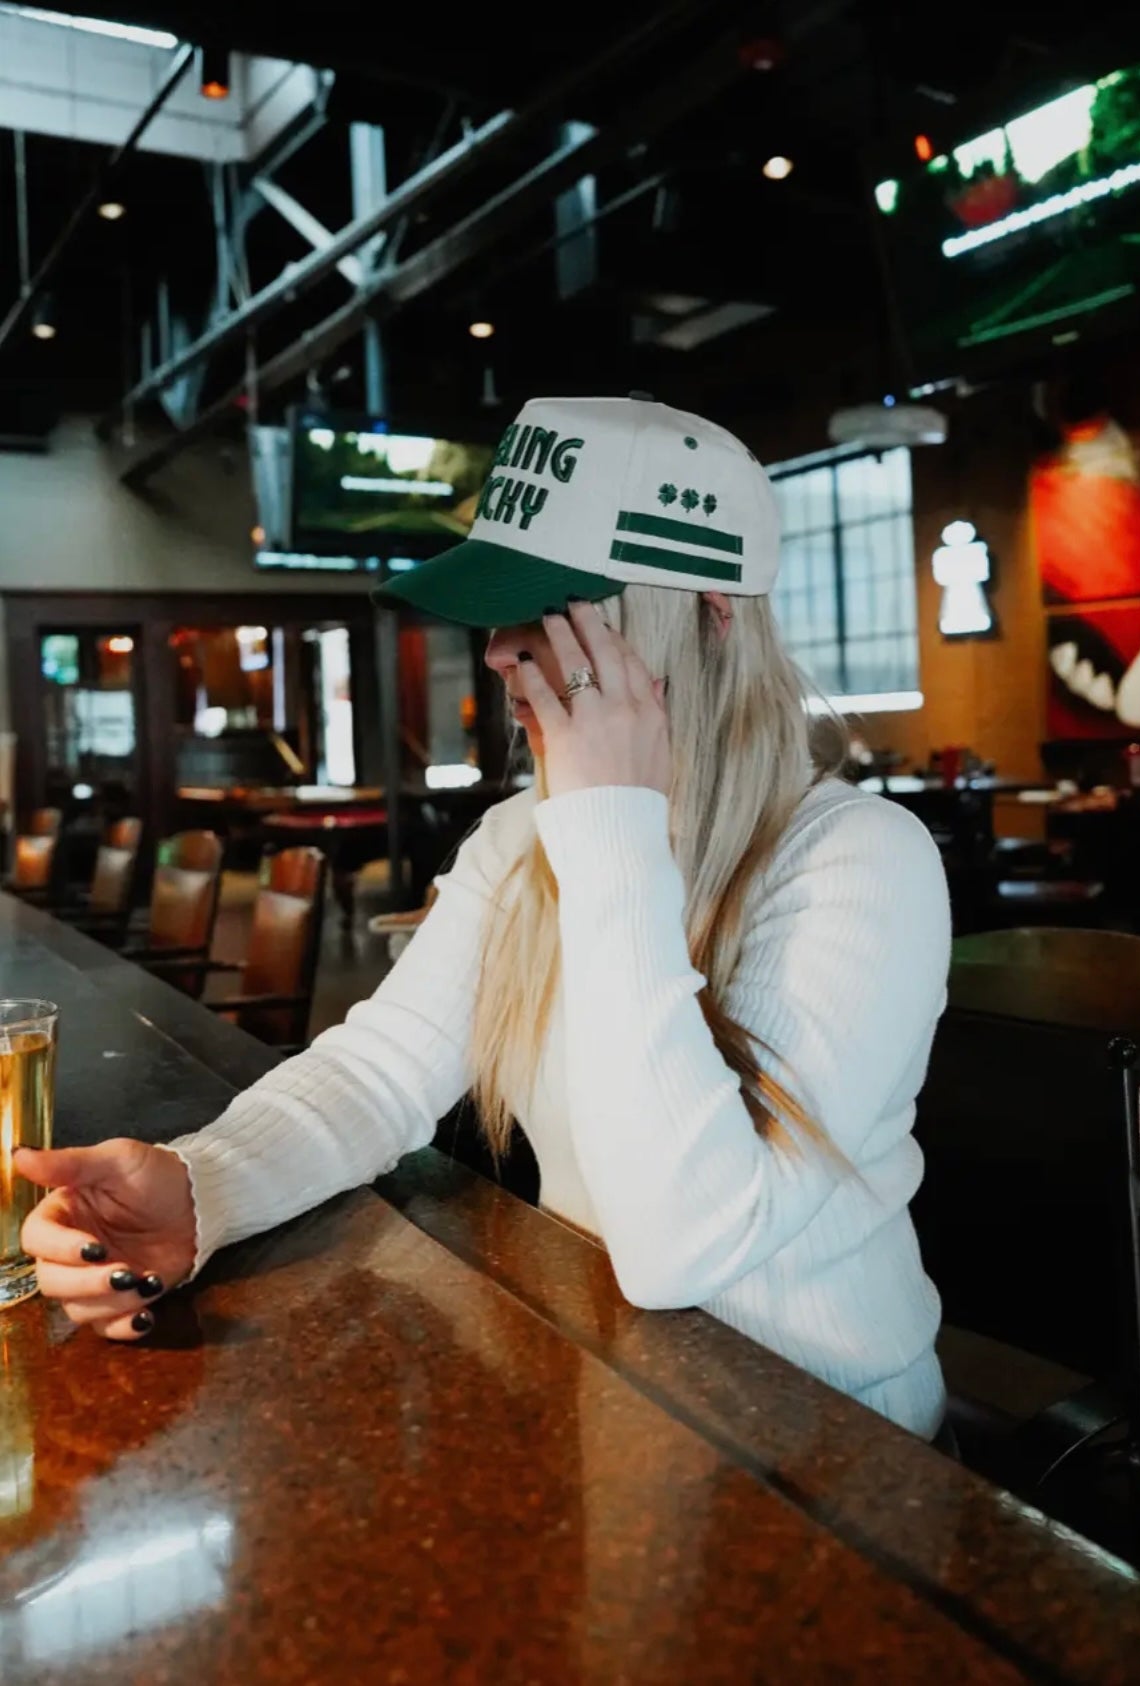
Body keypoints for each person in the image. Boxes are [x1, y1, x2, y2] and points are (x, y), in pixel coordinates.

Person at [16, 396, 952, 1439]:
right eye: (498, 607)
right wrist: (205, 1189)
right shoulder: (523, 837)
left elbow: (681, 1248)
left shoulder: (861, 861)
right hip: (624, 1410)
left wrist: (608, 829)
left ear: (709, 617)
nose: (501, 648)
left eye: (550, 608)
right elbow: (378, 1073)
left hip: (843, 1453)